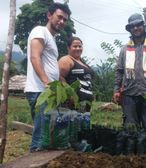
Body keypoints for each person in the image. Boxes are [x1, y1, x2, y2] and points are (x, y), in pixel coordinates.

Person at [25, 2, 71, 152]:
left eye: (65, 19)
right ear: (49, 15)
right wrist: (46, 83)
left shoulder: (52, 39)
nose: (62, 21)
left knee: (45, 135)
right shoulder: (40, 31)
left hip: (47, 92)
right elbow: (34, 57)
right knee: (40, 137)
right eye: (59, 17)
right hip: (40, 91)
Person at [58, 36, 94, 115]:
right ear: (68, 48)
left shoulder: (82, 62)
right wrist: (70, 95)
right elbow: (60, 78)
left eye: (80, 46)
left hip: (84, 105)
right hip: (70, 104)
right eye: (75, 46)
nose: (78, 48)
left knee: (82, 125)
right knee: (70, 125)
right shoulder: (66, 60)